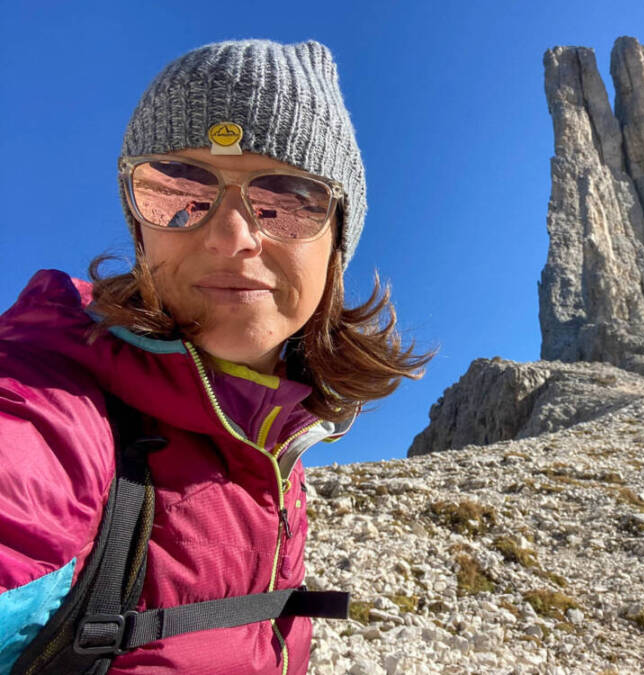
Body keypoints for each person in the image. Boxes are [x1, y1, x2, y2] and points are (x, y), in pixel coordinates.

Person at [0, 39, 430, 673]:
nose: (232, 238)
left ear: (338, 238)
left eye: (287, 201)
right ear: (138, 220)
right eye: (178, 191)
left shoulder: (275, 432)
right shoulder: (48, 405)